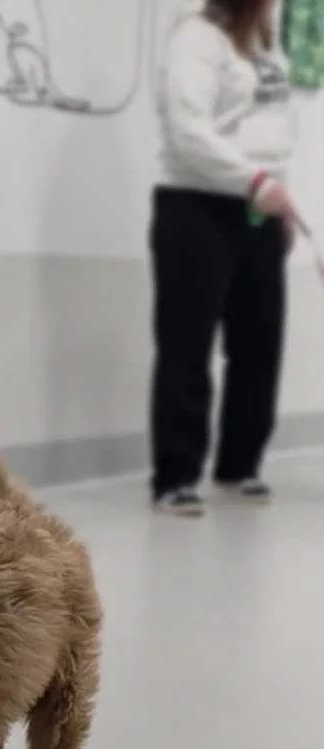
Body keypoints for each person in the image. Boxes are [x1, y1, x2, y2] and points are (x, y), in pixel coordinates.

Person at [150, 0, 296, 516]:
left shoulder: (266, 47)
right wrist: (254, 181)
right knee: (187, 345)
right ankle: (175, 476)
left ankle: (239, 464)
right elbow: (190, 131)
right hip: (195, 207)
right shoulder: (195, 37)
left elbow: (273, 131)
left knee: (260, 343)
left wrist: (278, 199)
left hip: (257, 209)